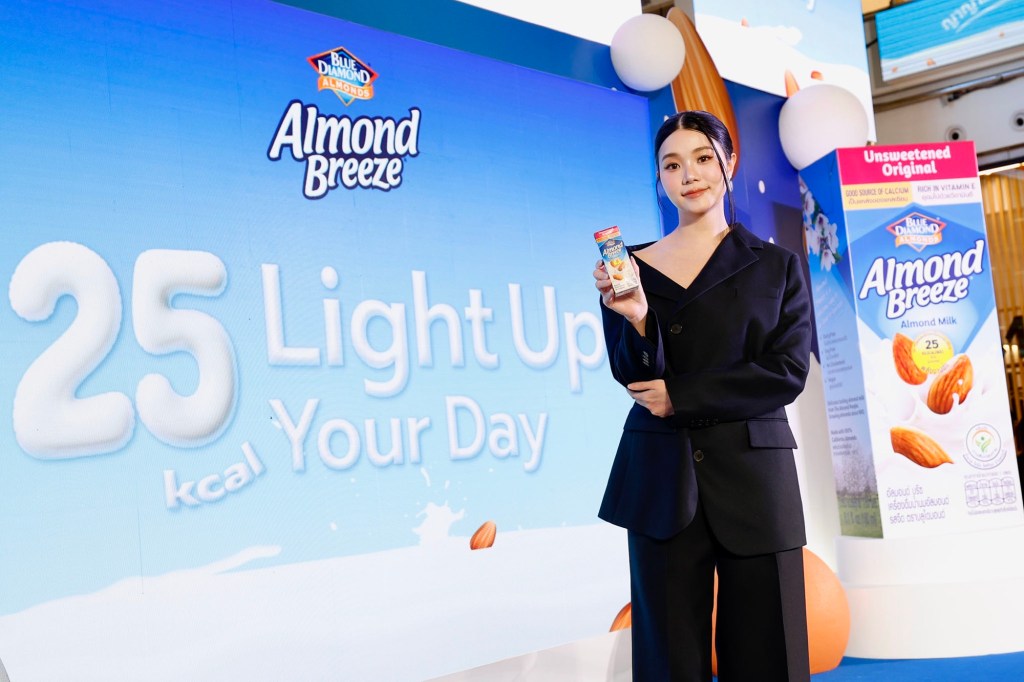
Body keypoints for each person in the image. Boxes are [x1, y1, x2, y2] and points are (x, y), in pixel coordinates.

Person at [593, 110, 813, 682]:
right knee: (669, 659)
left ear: (729, 164)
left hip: (755, 478)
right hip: (663, 479)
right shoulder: (628, 269)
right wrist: (637, 317)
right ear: (659, 178)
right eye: (671, 165)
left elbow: (786, 372)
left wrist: (683, 396)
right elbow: (633, 377)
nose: (688, 174)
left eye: (702, 158)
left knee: (769, 653)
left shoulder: (777, 266)